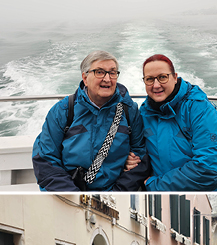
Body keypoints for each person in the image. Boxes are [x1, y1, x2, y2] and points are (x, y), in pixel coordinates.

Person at [32, 50, 149, 191]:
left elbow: (139, 154)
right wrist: (74, 197)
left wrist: (119, 192)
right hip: (69, 191)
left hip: (115, 191)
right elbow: (46, 159)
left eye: (112, 73)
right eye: (99, 72)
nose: (107, 79)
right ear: (85, 78)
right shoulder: (64, 111)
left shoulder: (129, 111)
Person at [138, 54, 217, 191]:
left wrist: (155, 185)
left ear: (174, 77)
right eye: (149, 79)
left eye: (162, 77)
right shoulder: (144, 113)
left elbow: (208, 171)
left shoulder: (199, 109)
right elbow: (136, 149)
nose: (156, 85)